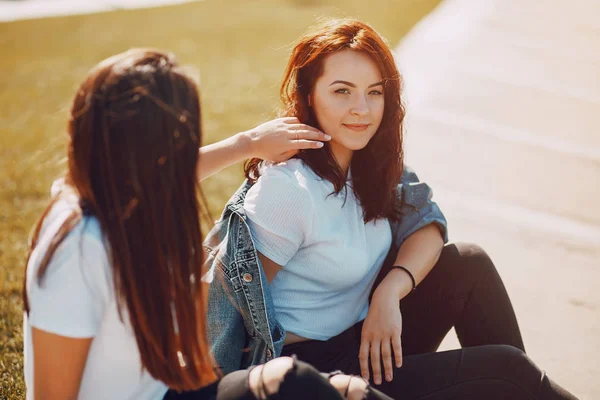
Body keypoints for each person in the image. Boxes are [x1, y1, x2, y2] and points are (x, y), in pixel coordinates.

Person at [204, 18, 578, 400]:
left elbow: (426, 224)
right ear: (309, 95)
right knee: (508, 371)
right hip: (313, 372)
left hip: (368, 338)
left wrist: (390, 291)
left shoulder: (369, 164)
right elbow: (224, 303)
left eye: (374, 92)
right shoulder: (290, 188)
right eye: (342, 91)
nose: (361, 109)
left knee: (468, 263)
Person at [22, 48, 395, 400]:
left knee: (338, 388)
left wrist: (248, 143)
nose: (187, 152)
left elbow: (170, 175)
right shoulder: (78, 246)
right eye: (179, 139)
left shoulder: (122, 206)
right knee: (291, 381)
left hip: (172, 389)